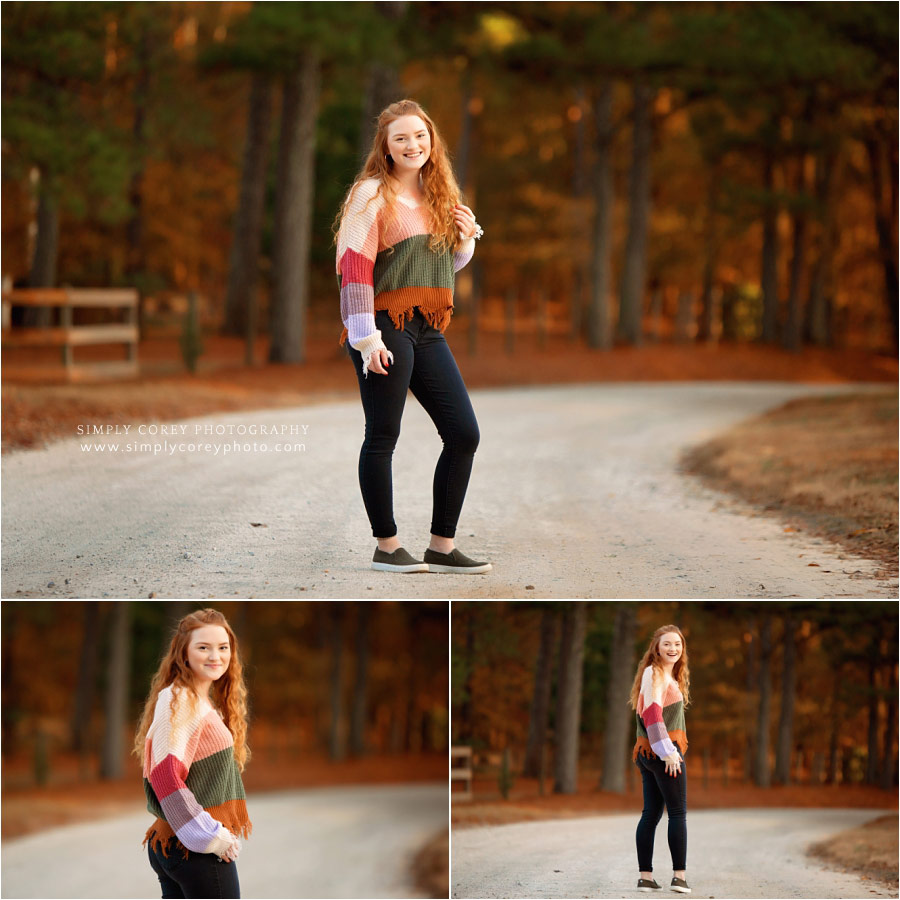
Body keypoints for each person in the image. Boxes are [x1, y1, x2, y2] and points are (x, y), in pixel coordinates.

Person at [333, 98, 492, 575]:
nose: (412, 145)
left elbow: (439, 268)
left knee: (464, 433)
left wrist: (464, 238)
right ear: (385, 145)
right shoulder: (370, 195)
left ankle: (441, 547)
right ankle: (387, 545)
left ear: (431, 142)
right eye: (400, 137)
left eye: (420, 136)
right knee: (383, 435)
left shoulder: (438, 193)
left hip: (427, 327)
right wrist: (366, 339)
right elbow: (353, 268)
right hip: (383, 324)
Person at [134, 608, 252, 899]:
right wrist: (212, 837)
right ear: (184, 653)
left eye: (223, 648)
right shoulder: (182, 700)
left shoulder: (191, 698)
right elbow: (164, 775)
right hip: (194, 850)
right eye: (204, 647)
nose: (216, 656)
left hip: (175, 844)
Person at [629, 625, 691, 894]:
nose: (673, 648)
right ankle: (679, 877)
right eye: (667, 644)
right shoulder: (654, 673)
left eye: (677, 644)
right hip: (662, 752)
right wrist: (668, 752)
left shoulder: (664, 674)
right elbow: (652, 716)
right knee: (677, 813)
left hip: (646, 752)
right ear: (656, 647)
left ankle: (645, 878)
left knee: (651, 814)